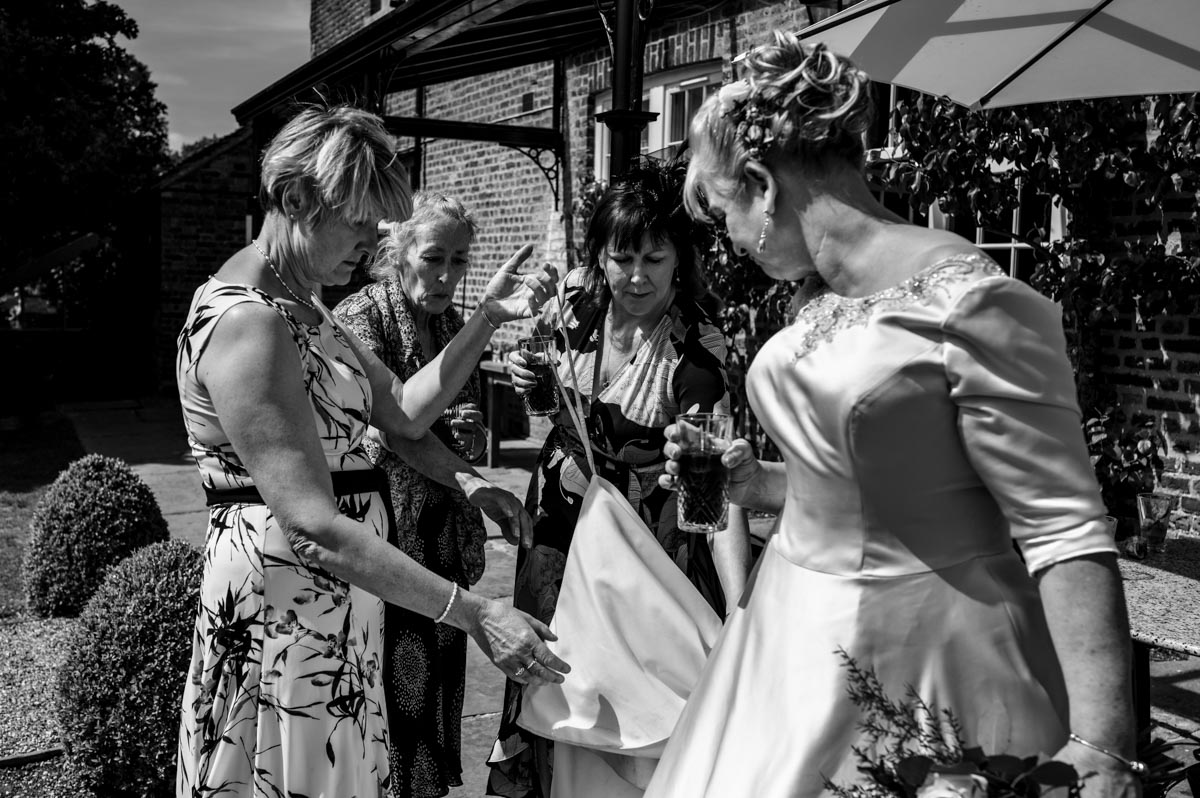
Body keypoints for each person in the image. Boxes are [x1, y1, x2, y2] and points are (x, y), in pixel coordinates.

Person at [646, 32, 1140, 798]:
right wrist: (758, 485)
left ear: (761, 186)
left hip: (924, 656)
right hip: (782, 641)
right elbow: (870, 483)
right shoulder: (814, 298)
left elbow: (1064, 527)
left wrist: (1105, 746)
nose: (731, 244)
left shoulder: (972, 304)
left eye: (722, 215)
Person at [175, 105, 569, 798]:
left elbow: (406, 412)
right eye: (359, 219)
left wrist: (486, 317)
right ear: (297, 199)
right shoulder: (248, 321)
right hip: (286, 608)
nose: (372, 238)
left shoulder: (307, 305)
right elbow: (313, 527)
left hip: (336, 608)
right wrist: (476, 613)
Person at [487, 161, 753, 798]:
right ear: (599, 257)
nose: (636, 276)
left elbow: (711, 493)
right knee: (546, 671)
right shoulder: (577, 303)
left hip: (640, 547)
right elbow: (556, 403)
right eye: (621, 258)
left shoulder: (696, 352)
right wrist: (533, 384)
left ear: (680, 259)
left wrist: (740, 609)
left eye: (655, 259)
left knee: (627, 703)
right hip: (557, 527)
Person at [332, 191, 497, 797]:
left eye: (459, 260)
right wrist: (471, 479)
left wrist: (472, 438)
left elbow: (448, 426)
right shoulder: (360, 317)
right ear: (399, 252)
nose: (447, 275)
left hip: (439, 533)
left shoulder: (452, 326)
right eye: (434, 258)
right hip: (383, 535)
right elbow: (394, 432)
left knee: (435, 688)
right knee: (389, 696)